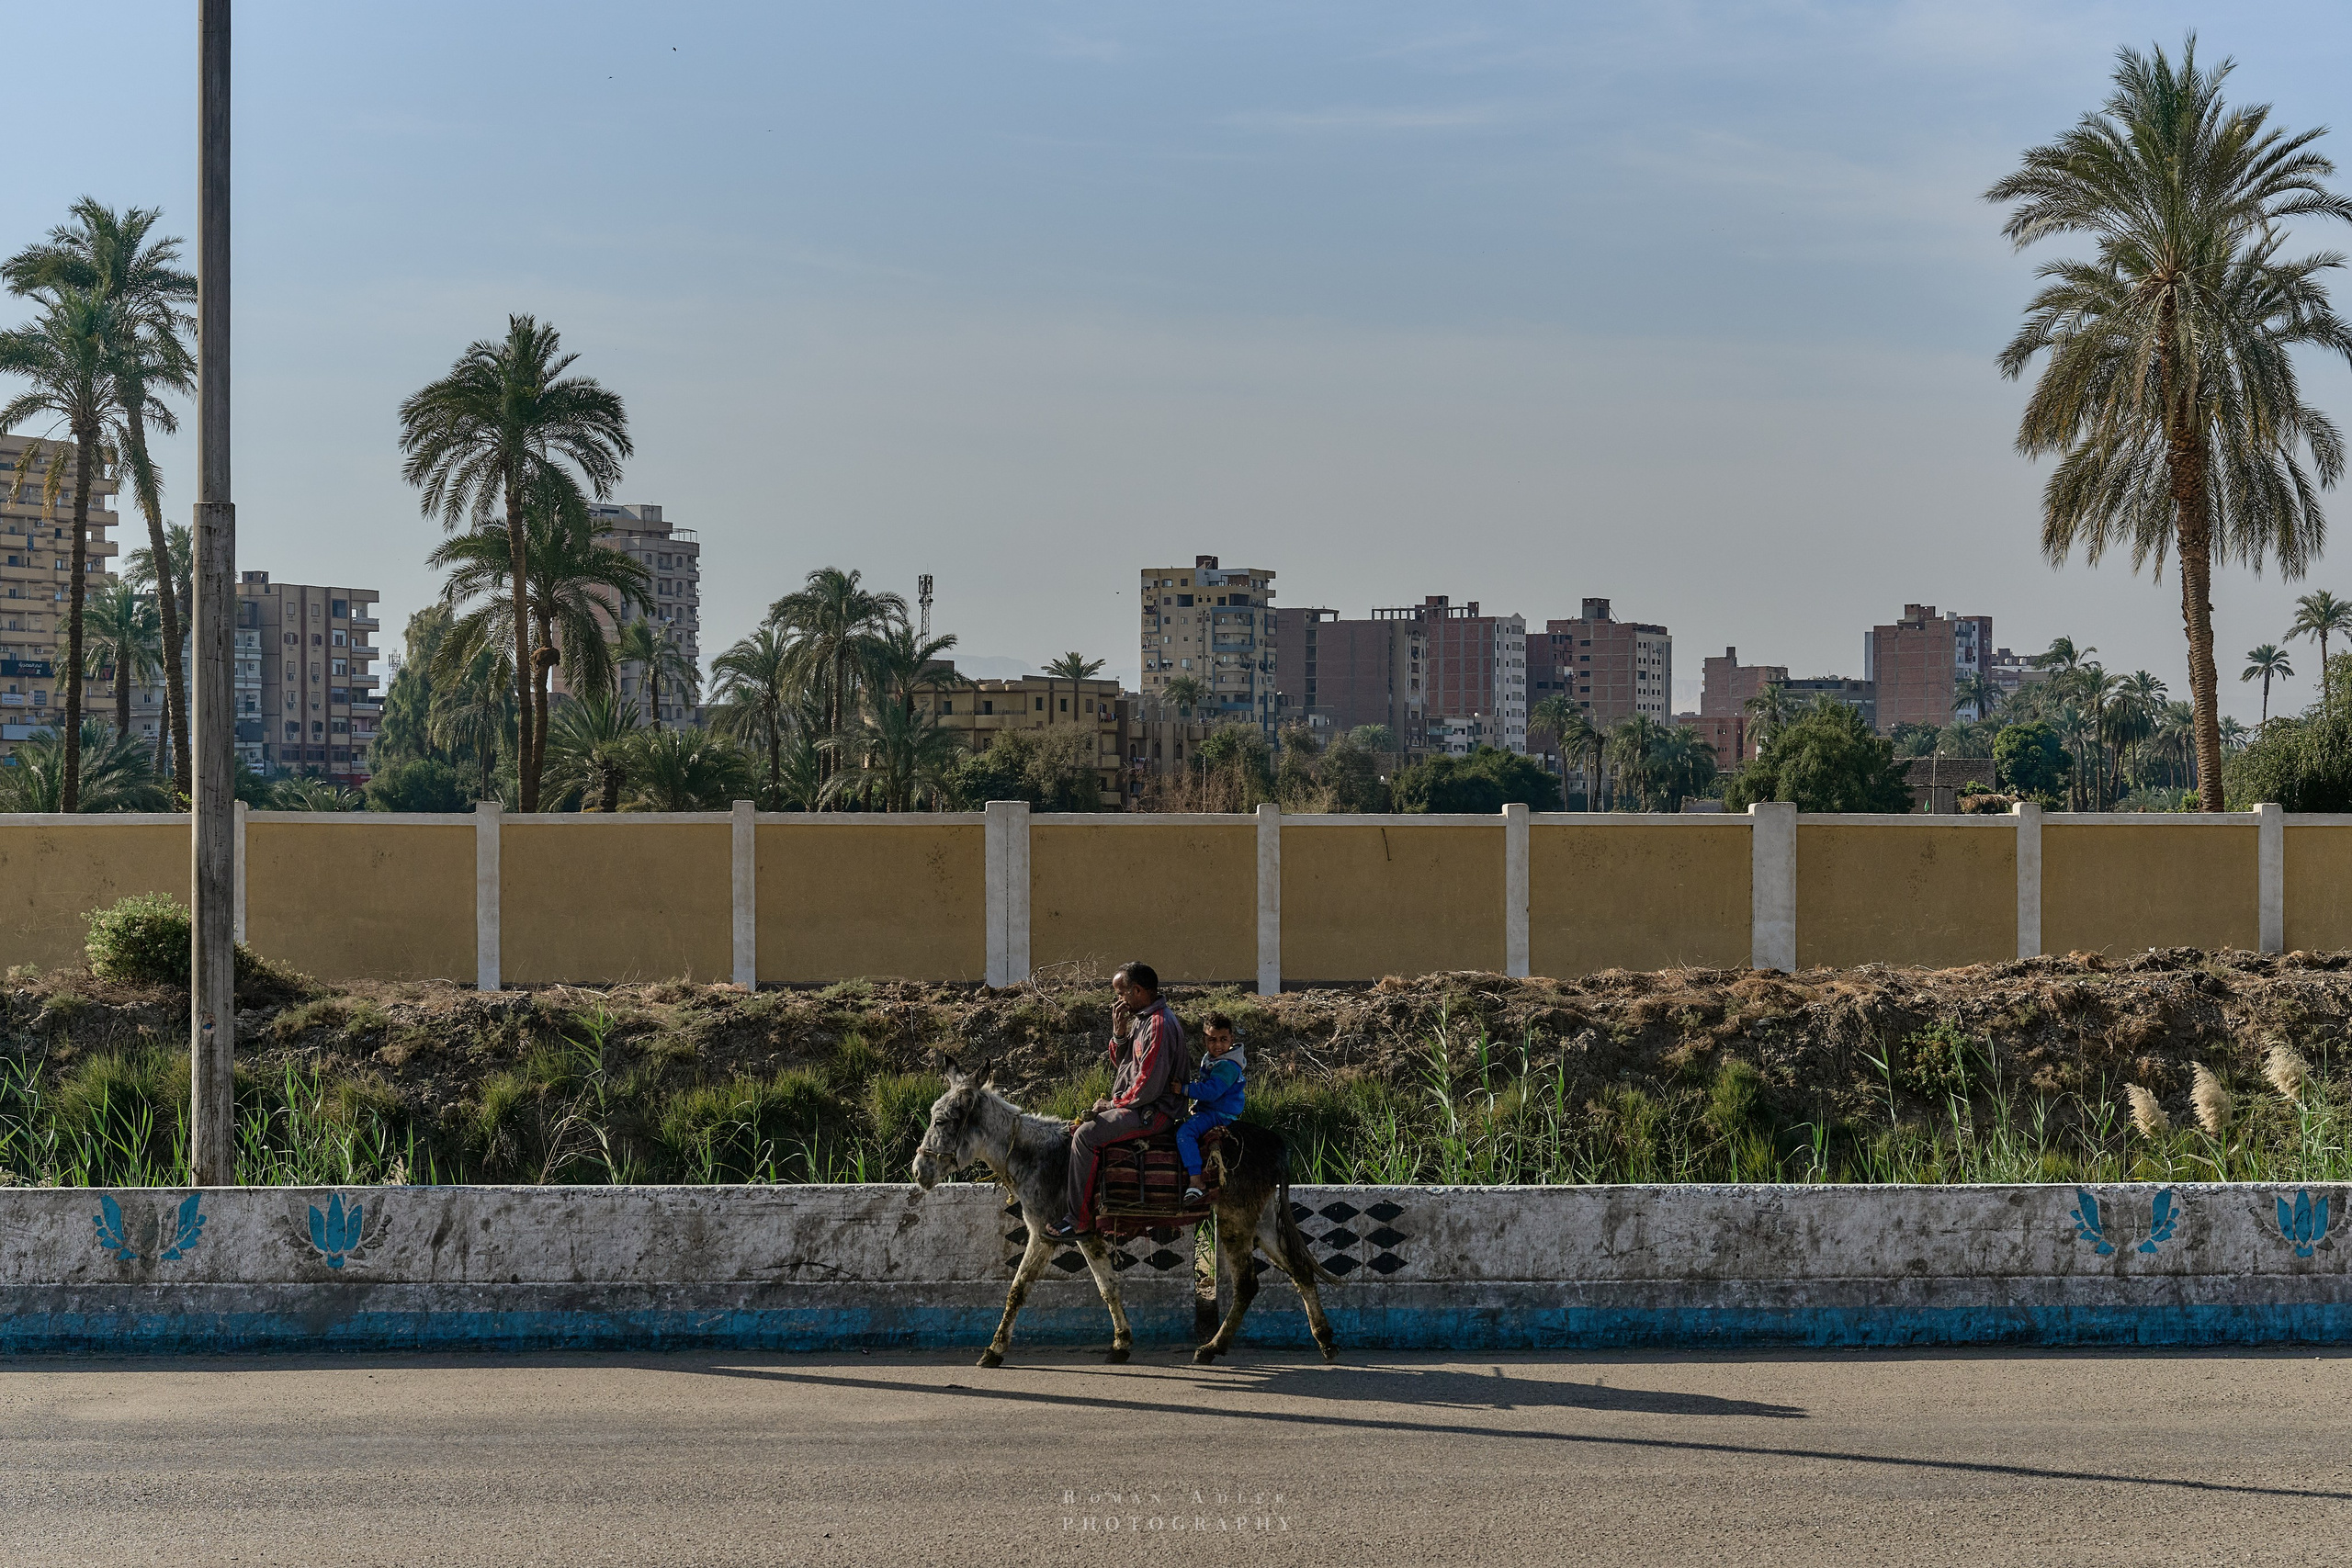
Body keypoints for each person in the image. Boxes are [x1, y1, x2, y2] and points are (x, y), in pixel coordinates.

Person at [1044, 961, 1189, 1240]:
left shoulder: (1158, 1024)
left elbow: (1147, 1086)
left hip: (1153, 1111)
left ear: (1138, 990)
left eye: (1121, 993)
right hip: (1137, 1104)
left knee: (1085, 1136)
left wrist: (1111, 1105)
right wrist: (1119, 1032)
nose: (1119, 1000)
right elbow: (1124, 1065)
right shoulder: (1144, 1019)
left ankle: (1078, 1221)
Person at [1177, 1011, 1246, 1204]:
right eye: (1212, 1040)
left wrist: (1183, 1089)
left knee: (1185, 1133)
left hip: (1219, 1114)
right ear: (1204, 1040)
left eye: (1223, 1039)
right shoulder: (1213, 1059)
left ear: (1232, 1039)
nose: (1218, 1045)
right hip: (1211, 1109)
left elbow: (1212, 1092)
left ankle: (1196, 1181)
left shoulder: (1227, 1065)